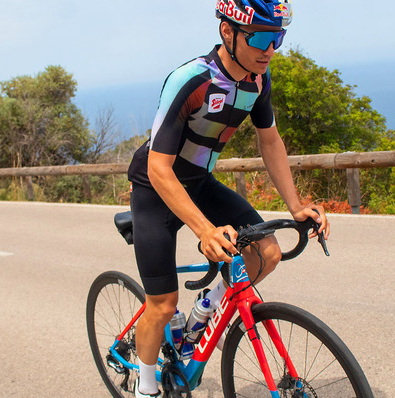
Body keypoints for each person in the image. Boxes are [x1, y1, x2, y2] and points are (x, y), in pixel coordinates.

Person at [127, 0, 330, 396]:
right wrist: (204, 230)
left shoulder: (259, 79)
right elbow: (158, 168)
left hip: (199, 183)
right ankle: (145, 384)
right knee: (163, 303)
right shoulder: (192, 79)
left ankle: (204, 311)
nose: (271, 50)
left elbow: (269, 140)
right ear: (228, 32)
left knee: (267, 253)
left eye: (279, 38)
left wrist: (296, 206)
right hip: (156, 188)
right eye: (263, 38)